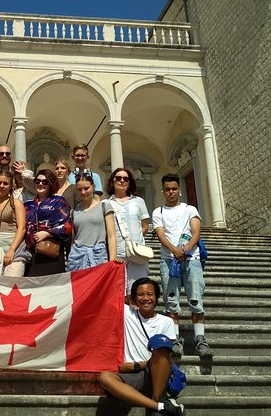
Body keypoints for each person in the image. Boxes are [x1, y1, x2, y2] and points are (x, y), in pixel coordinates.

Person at [98, 278, 185, 416]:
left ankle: (157, 399)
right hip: (132, 378)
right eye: (140, 294)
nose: (146, 298)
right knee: (105, 377)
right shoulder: (127, 313)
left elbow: (165, 357)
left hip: (155, 375)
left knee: (160, 345)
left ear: (156, 297)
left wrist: (136, 365)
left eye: (150, 294)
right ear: (133, 298)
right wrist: (114, 262)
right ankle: (158, 405)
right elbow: (104, 295)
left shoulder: (167, 321)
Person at [151, 173, 211, 358]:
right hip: (169, 260)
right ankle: (175, 339)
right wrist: (174, 251)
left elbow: (196, 232)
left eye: (174, 189)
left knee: (195, 300)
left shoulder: (190, 209)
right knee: (171, 302)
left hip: (191, 260)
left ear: (180, 190)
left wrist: (185, 250)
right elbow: (161, 235)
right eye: (167, 189)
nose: (171, 192)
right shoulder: (158, 212)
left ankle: (200, 339)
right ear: (163, 191)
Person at [106, 168, 151, 297]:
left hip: (137, 254)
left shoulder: (139, 201)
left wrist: (135, 242)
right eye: (118, 178)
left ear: (130, 182)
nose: (122, 181)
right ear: (112, 181)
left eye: (126, 179)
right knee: (118, 295)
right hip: (117, 254)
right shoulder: (105, 203)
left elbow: (145, 226)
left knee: (138, 293)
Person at [23, 169, 72, 276]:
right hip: (30, 252)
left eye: (45, 182)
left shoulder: (59, 202)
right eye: (37, 181)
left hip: (51, 251)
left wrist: (47, 233)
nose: (40, 184)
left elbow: (67, 227)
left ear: (50, 184)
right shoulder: (27, 205)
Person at [66, 175, 120, 271]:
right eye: (79, 189)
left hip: (98, 255)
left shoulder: (104, 206)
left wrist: (112, 259)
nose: (83, 192)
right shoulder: (73, 212)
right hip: (77, 257)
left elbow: (111, 235)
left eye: (86, 188)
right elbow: (73, 239)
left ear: (93, 187)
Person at [0, 170, 29, 276]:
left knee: (12, 284)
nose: (1, 186)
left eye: (5, 183)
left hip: (14, 248)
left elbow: (22, 228)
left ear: (11, 186)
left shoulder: (17, 203)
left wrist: (11, 250)